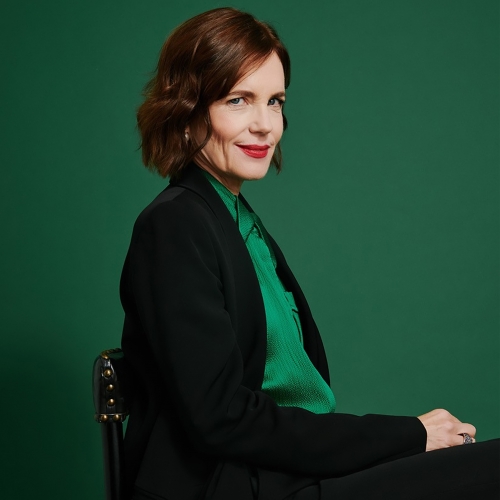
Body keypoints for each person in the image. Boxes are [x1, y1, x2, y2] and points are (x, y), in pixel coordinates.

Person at [120, 7, 499, 500]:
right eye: (238, 100)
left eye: (274, 101)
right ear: (188, 109)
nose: (265, 124)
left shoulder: (237, 221)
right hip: (239, 486)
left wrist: (410, 440)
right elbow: (222, 418)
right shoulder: (175, 224)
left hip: (289, 473)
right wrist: (410, 435)